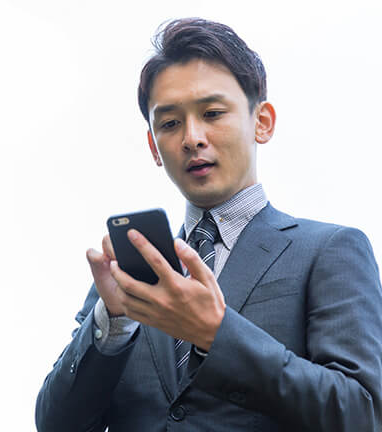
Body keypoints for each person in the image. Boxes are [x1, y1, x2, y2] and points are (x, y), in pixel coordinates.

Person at [35, 17, 382, 431]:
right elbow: (57, 425)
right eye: (169, 123)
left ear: (262, 122)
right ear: (154, 146)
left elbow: (362, 413)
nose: (192, 138)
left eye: (213, 113)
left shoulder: (330, 250)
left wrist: (218, 334)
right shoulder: (127, 279)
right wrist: (112, 324)